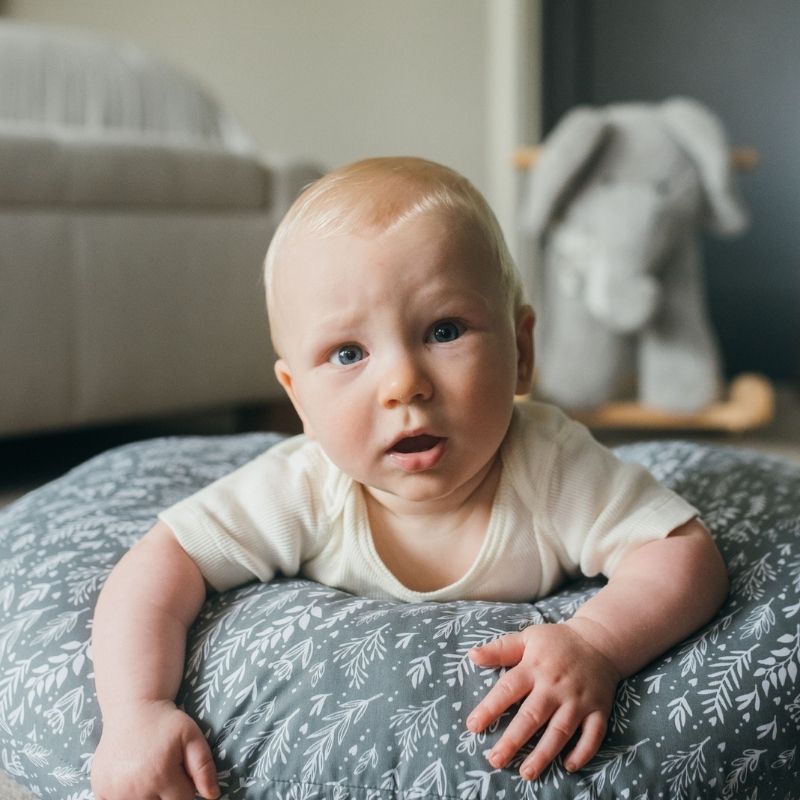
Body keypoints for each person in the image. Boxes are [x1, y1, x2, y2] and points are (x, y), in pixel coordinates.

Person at [90, 157, 729, 799]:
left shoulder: (549, 464)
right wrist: (135, 711)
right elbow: (161, 564)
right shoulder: (303, 487)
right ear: (299, 398)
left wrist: (597, 641)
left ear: (522, 352)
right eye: (348, 353)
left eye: (443, 331)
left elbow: (680, 552)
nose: (403, 384)